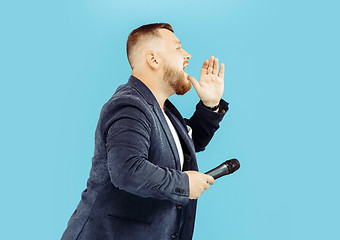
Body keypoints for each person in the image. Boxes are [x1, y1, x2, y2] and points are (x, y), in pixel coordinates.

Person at [61, 23, 229, 240]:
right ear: (154, 59)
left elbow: (185, 145)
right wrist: (183, 184)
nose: (187, 55)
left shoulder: (164, 110)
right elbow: (128, 170)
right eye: (178, 48)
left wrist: (210, 105)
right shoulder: (129, 106)